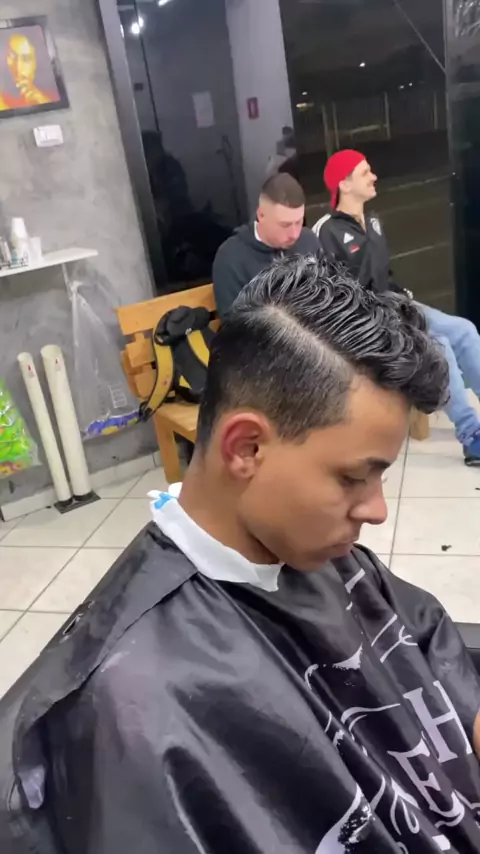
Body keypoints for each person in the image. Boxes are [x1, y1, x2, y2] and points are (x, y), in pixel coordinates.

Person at [5, 257, 480, 853]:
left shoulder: (315, 548)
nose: (378, 510)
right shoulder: (122, 704)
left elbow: (428, 653)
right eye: (354, 477)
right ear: (246, 447)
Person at [314, 149, 480, 466]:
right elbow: (333, 294)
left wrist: (401, 295)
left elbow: (383, 275)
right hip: (366, 322)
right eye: (365, 172)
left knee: (464, 330)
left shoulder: (374, 222)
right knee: (437, 346)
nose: (374, 176)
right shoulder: (327, 231)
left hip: (394, 305)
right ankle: (473, 436)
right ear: (344, 184)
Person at [213, 172, 320, 317]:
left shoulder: (308, 239)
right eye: (285, 225)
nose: (294, 234)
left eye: (299, 222)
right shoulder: (231, 257)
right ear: (261, 215)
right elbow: (233, 322)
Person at [1, 34, 60, 109]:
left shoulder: (53, 96)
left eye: (26, 59)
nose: (18, 67)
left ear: (36, 63)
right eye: (12, 57)